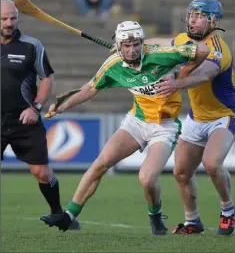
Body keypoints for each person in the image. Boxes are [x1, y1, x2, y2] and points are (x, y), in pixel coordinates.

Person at [40, 21, 210, 234]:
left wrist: (180, 75)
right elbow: (90, 89)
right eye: (126, 46)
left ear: (142, 42)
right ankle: (69, 216)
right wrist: (62, 106)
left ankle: (155, 215)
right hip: (136, 122)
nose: (132, 50)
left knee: (147, 178)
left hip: (164, 126)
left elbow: (203, 50)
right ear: (119, 46)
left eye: (136, 44)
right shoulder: (113, 64)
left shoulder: (163, 54)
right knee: (100, 163)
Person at [154, 0, 235, 235]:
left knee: (211, 163)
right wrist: (133, 44)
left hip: (224, 116)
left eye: (200, 16)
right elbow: (160, 43)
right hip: (196, 118)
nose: (193, 19)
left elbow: (203, 75)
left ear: (213, 21)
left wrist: (176, 83)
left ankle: (228, 210)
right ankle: (192, 221)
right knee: (180, 172)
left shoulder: (219, 49)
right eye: (191, 15)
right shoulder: (183, 40)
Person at [0, 0, 80, 230]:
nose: (9, 23)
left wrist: (36, 107)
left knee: (42, 174)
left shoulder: (31, 45)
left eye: (13, 18)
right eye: (4, 19)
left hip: (25, 121)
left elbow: (47, 77)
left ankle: (58, 213)